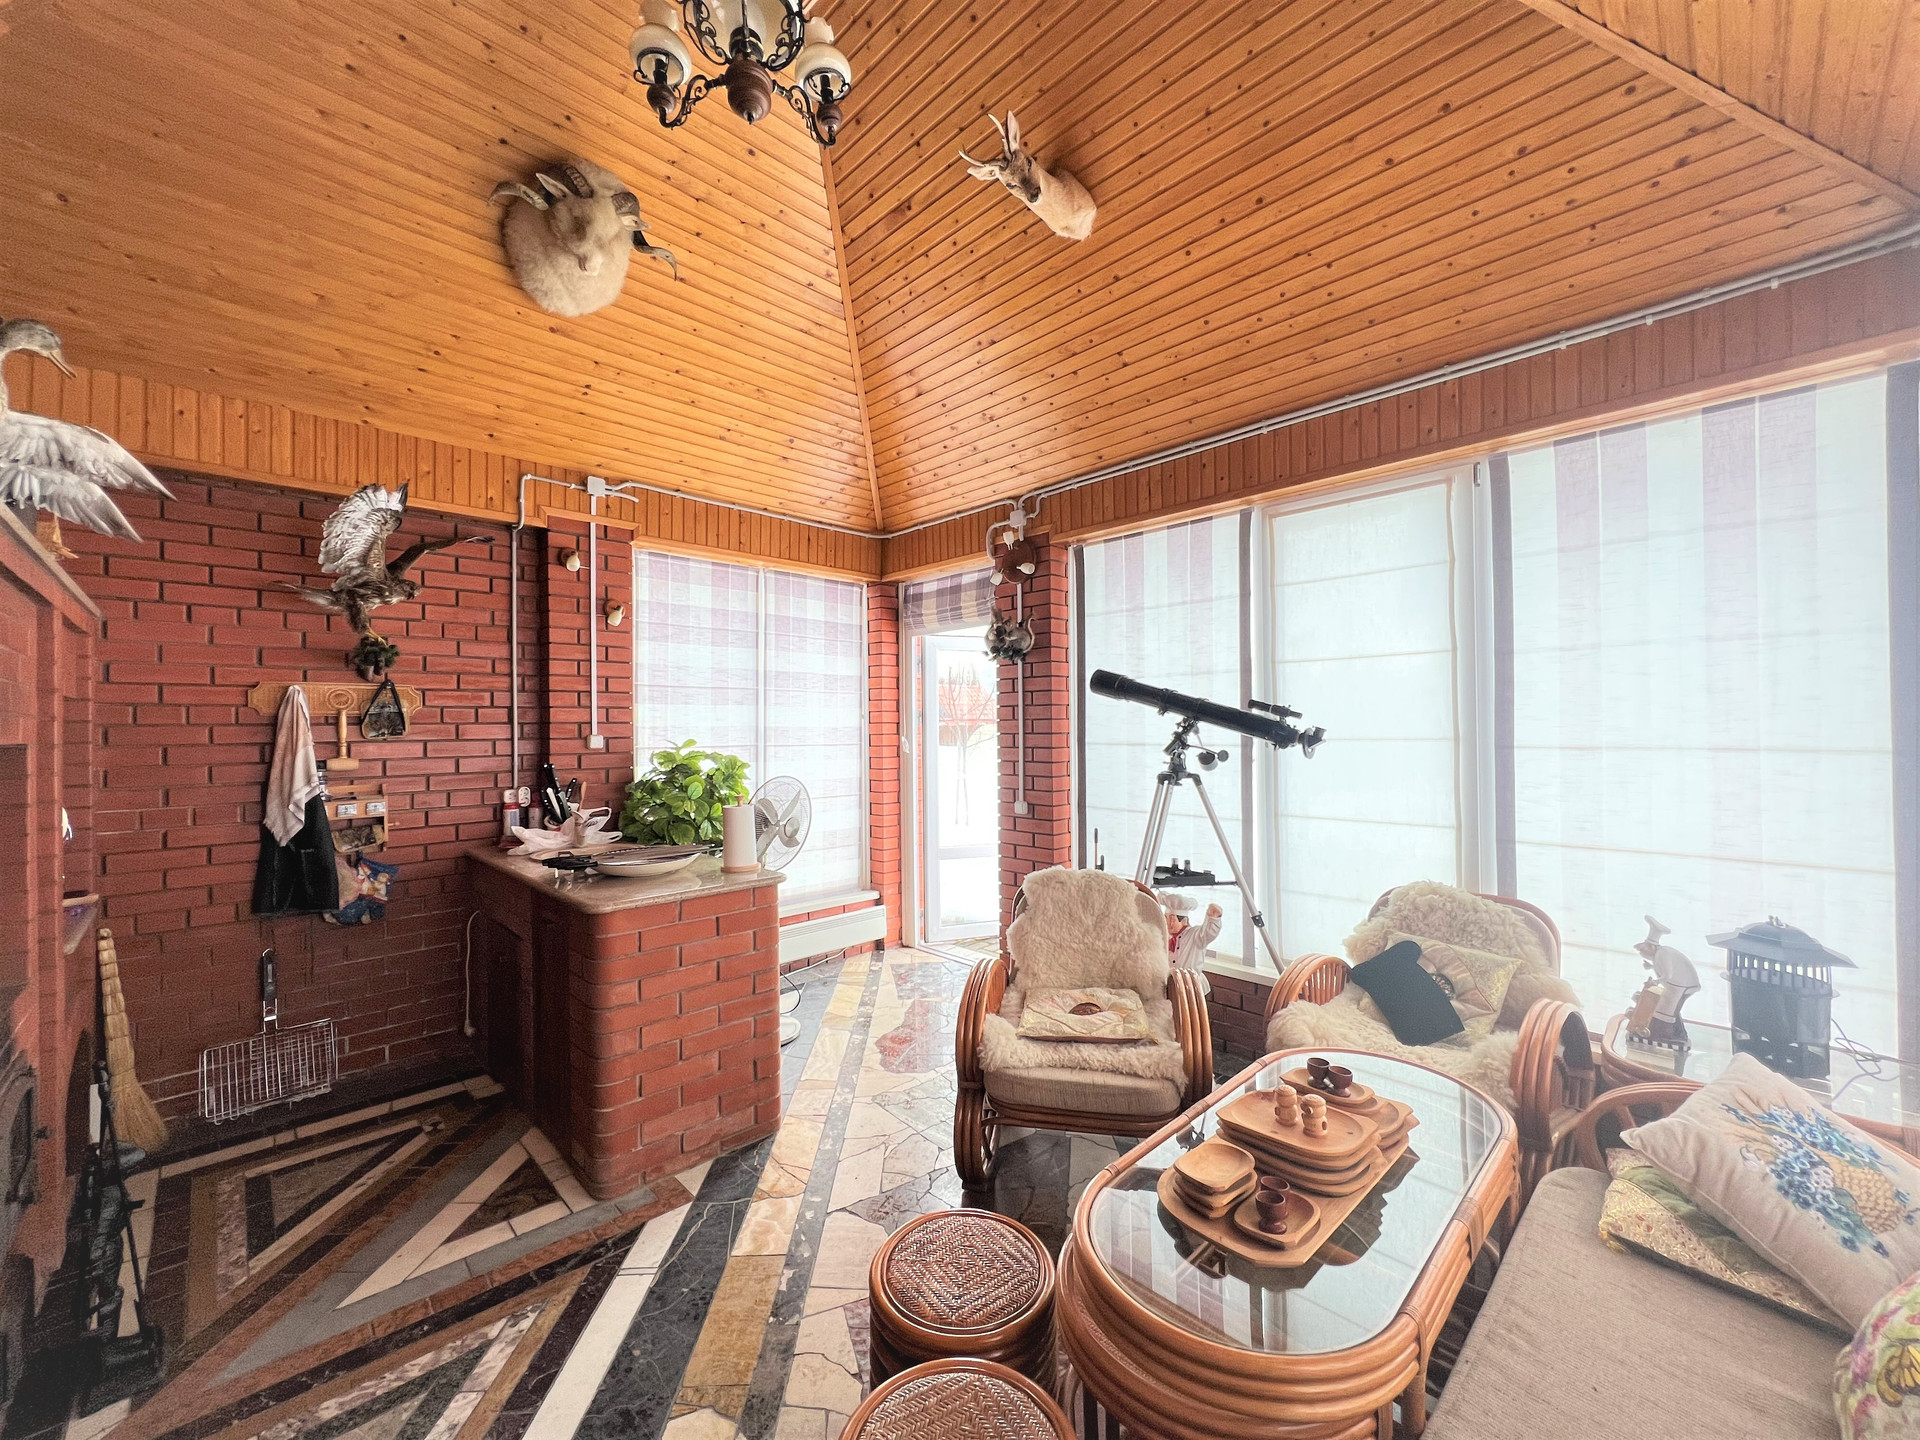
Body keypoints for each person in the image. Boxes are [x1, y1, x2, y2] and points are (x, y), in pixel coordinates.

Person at [1158, 891, 1223, 994]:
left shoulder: (1195, 935)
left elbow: (1208, 933)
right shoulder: (1164, 935)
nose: (1169, 923)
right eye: (1166, 919)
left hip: (1191, 987)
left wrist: (1213, 918)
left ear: (1184, 921)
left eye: (1173, 920)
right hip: (1170, 986)